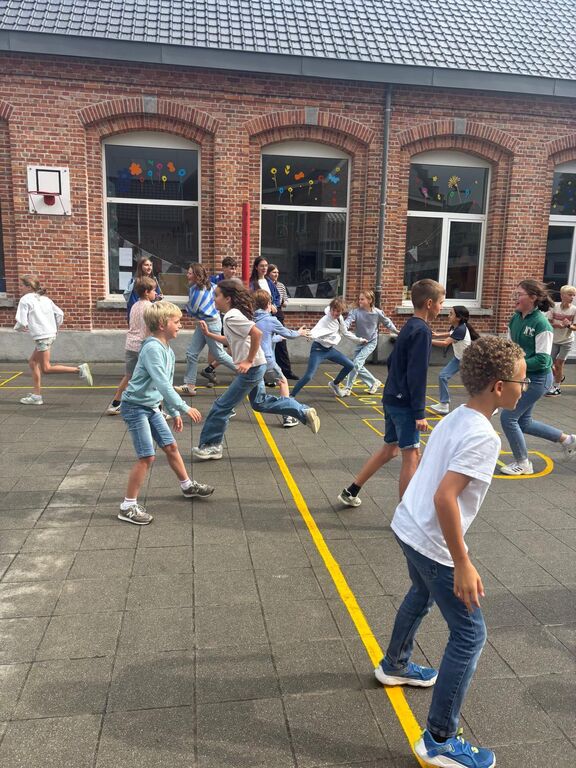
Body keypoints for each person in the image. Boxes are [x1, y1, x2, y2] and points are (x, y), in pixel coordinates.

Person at [375, 335, 526, 768]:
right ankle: (440, 739)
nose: (526, 387)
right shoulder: (484, 437)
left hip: (408, 525)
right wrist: (462, 562)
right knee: (470, 634)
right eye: (522, 381)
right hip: (430, 541)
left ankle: (395, 664)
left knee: (420, 594)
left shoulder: (458, 415)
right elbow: (445, 497)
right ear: (499, 386)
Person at [338, 279, 445, 507]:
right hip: (404, 403)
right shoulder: (422, 331)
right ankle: (406, 512)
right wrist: (419, 412)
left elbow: (392, 362)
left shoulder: (409, 326)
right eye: (441, 303)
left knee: (390, 449)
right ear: (429, 303)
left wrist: (393, 389)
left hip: (391, 397)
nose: (442, 307)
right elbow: (417, 374)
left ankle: (351, 490)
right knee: (411, 455)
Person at [192, 280, 320, 460]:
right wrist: (208, 334)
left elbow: (257, 333)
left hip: (252, 368)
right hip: (257, 367)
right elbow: (229, 340)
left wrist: (248, 360)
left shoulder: (232, 316)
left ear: (228, 298)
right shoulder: (231, 315)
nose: (214, 299)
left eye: (217, 295)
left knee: (221, 406)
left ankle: (211, 445)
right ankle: (302, 411)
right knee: (259, 403)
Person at [119, 301, 214, 525]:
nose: (180, 325)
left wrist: (173, 411)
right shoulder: (152, 348)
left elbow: (165, 385)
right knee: (147, 457)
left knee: (171, 446)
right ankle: (127, 506)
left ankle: (187, 486)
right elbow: (162, 383)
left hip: (151, 406)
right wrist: (184, 407)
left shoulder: (167, 350)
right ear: (162, 324)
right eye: (176, 321)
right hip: (135, 407)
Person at [500, 279, 576, 475]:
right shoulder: (515, 318)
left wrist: (515, 364)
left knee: (508, 418)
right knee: (524, 422)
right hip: (523, 377)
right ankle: (568, 440)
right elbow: (510, 348)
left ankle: (523, 463)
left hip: (538, 380)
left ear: (533, 298)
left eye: (519, 294)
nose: (515, 298)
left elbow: (543, 360)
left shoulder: (541, 324)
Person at [14, 274, 93, 405]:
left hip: (42, 337)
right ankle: (36, 396)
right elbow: (60, 313)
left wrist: (19, 328)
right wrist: (53, 327)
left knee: (46, 368)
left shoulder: (25, 299)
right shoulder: (45, 299)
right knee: (33, 362)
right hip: (49, 334)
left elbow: (21, 321)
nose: (20, 287)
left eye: (22, 285)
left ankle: (79, 370)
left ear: (29, 287)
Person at [175, 263, 237, 397]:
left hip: (210, 323)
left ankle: (248, 372)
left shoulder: (197, 290)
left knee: (219, 355)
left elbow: (193, 309)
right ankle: (190, 385)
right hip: (205, 322)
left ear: (197, 276)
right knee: (191, 353)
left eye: (190, 273)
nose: (187, 275)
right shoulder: (211, 286)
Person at [253, 289, 308, 428]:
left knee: (247, 388)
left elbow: (264, 338)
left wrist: (277, 338)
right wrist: (300, 332)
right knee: (283, 381)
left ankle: (227, 408)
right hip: (267, 361)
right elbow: (290, 334)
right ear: (268, 303)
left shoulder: (252, 319)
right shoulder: (271, 320)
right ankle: (287, 417)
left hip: (253, 361)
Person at [291, 297, 367, 398]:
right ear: (330, 309)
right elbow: (315, 331)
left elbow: (345, 332)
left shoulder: (339, 319)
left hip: (329, 350)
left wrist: (360, 340)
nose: (335, 313)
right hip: (318, 350)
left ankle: (334, 384)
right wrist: (306, 335)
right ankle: (291, 396)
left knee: (350, 365)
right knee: (309, 376)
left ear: (341, 312)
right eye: (333, 310)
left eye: (338, 312)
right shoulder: (325, 320)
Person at [107, 276, 157, 415]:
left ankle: (116, 402)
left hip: (130, 345)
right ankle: (158, 409)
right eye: (154, 290)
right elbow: (151, 328)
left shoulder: (134, 305)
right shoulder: (151, 308)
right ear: (146, 292)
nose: (155, 293)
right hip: (143, 346)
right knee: (154, 377)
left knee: (129, 375)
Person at [340, 290, 399, 396]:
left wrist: (397, 332)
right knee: (355, 365)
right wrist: (342, 327)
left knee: (356, 363)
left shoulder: (377, 313)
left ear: (370, 300)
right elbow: (348, 321)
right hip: (360, 342)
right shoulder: (355, 312)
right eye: (359, 299)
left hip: (371, 342)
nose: (359, 301)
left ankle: (348, 388)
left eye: (362, 299)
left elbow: (387, 323)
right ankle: (373, 382)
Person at [429, 306, 480, 415]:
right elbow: (451, 333)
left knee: (475, 383)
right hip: (458, 359)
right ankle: (444, 404)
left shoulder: (461, 330)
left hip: (467, 361)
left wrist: (427, 340)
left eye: (451, 314)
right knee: (443, 376)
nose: (448, 316)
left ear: (458, 318)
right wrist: (437, 335)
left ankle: (489, 404)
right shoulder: (456, 327)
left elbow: (445, 343)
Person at [202, 257, 239, 385]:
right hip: (217, 316)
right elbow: (208, 296)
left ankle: (212, 369)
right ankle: (211, 374)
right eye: (231, 268)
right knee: (214, 346)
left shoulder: (236, 283)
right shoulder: (214, 280)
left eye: (235, 268)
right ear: (223, 268)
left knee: (233, 345)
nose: (233, 271)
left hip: (230, 316)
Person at [266, 263, 299, 380]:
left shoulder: (281, 286)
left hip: (278, 312)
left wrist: (282, 302)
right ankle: (269, 373)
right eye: (274, 272)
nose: (276, 274)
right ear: (268, 273)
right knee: (269, 344)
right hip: (267, 313)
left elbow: (285, 301)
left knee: (282, 343)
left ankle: (286, 371)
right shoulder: (265, 284)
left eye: (277, 272)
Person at [545, 284, 576, 396]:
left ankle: (557, 387)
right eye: (570, 295)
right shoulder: (554, 307)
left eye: (574, 295)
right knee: (549, 363)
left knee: (559, 364)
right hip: (554, 340)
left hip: (567, 341)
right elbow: (548, 322)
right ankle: (560, 376)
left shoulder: (574, 310)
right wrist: (558, 325)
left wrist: (568, 326)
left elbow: (575, 327)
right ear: (562, 295)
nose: (572, 297)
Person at [123, 257, 162, 321]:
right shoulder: (135, 281)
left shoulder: (154, 279)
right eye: (146, 265)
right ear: (140, 266)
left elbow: (158, 295)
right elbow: (131, 300)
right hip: (138, 313)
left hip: (151, 312)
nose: (149, 267)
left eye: (150, 265)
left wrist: (156, 301)